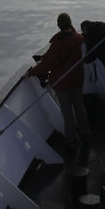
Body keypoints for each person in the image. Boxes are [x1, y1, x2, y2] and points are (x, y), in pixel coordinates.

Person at [28, 12, 90, 147]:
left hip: (63, 83)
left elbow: (46, 65)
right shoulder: (78, 38)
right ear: (70, 24)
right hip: (77, 79)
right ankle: (85, 133)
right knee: (80, 108)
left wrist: (30, 73)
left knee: (67, 112)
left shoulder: (57, 44)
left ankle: (71, 139)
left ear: (58, 25)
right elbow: (75, 36)